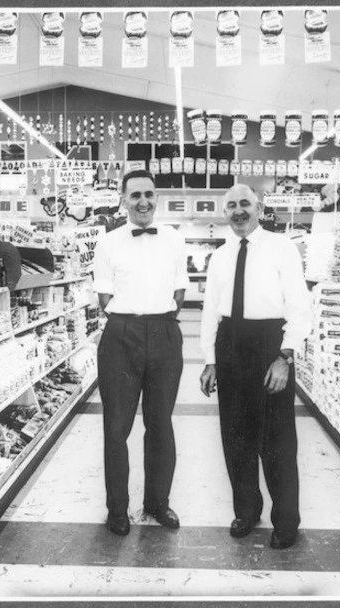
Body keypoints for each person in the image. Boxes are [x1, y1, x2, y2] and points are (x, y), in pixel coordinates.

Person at [199, 183, 311, 549]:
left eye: (244, 203)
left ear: (258, 207)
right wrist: (210, 360)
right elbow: (210, 312)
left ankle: (286, 522)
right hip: (230, 343)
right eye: (230, 205)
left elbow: (299, 306)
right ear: (225, 213)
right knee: (236, 437)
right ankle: (246, 511)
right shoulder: (220, 256)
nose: (238, 211)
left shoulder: (282, 248)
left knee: (277, 440)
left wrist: (285, 356)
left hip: (269, 347)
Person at [93, 169, 188, 536]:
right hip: (121, 335)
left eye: (149, 194)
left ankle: (157, 503)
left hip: (164, 332)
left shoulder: (174, 240)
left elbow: (180, 291)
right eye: (135, 195)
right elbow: (104, 296)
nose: (143, 201)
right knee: (116, 428)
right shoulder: (108, 242)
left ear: (157, 198)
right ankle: (117, 509)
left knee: (160, 425)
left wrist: (159, 319)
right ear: (124, 199)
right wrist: (131, 318)